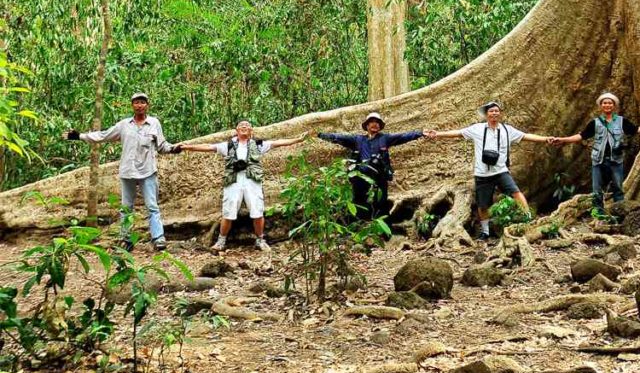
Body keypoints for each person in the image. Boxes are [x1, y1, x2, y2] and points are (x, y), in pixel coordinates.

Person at [63, 92, 179, 251]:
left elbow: (162, 146)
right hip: (127, 171)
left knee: (152, 206)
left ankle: (158, 238)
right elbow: (103, 135)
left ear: (147, 105)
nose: (139, 105)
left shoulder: (154, 123)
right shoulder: (124, 125)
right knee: (126, 208)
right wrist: (80, 136)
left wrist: (174, 149)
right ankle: (126, 239)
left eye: (142, 102)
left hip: (148, 171)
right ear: (132, 105)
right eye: (136, 102)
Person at [425, 101, 555, 240]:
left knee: (516, 193)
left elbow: (525, 136)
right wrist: (437, 134)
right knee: (483, 205)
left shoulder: (507, 130)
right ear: (487, 114)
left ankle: (528, 219)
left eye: (496, 111)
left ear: (500, 114)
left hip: (501, 171)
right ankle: (485, 232)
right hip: (482, 173)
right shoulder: (477, 129)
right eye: (491, 111)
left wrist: (545, 139)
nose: (494, 113)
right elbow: (458, 133)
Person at [178, 121, 308, 251]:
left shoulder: (258, 145)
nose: (244, 126)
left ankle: (260, 240)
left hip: (252, 179)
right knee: (228, 211)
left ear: (251, 130)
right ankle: (221, 241)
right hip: (234, 180)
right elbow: (209, 147)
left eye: (247, 125)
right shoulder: (228, 145)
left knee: (257, 210)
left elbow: (278, 142)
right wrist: (187, 147)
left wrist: (298, 139)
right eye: (241, 125)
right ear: (237, 130)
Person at [550, 92, 640, 211]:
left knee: (618, 188)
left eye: (610, 103)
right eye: (604, 103)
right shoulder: (595, 123)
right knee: (597, 189)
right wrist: (563, 139)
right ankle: (599, 213)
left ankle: (620, 212)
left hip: (616, 160)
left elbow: (637, 129)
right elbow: (581, 136)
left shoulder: (621, 121)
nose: (607, 105)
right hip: (598, 160)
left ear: (614, 106)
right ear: (601, 106)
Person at [316, 112, 423, 221]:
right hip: (361, 177)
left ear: (380, 126)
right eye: (371, 122)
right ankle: (360, 226)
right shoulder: (358, 140)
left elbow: (403, 136)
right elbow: (338, 138)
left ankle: (383, 233)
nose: (374, 124)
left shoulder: (385, 138)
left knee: (381, 202)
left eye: (377, 122)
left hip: (379, 176)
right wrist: (319, 134)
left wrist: (422, 133)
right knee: (359, 201)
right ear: (366, 125)